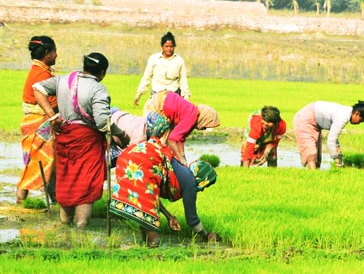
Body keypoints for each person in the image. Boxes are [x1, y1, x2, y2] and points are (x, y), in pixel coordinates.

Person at [32, 53, 126, 229]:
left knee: (66, 181)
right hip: (87, 143)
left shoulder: (63, 80)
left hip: (64, 139)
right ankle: (81, 229)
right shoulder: (98, 89)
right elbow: (101, 122)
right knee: (86, 185)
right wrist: (120, 134)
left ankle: (64, 225)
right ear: (102, 72)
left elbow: (37, 88)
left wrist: (52, 117)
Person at [110, 112, 218, 247]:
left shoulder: (182, 171)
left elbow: (152, 196)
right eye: (205, 185)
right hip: (140, 162)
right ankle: (153, 249)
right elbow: (192, 219)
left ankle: (145, 246)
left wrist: (169, 217)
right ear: (202, 179)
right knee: (150, 215)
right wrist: (205, 234)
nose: (202, 189)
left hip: (127, 158)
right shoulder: (190, 182)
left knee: (145, 205)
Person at [17, 36, 58, 204]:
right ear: (47, 53)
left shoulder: (39, 70)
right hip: (39, 125)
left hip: (33, 123)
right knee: (38, 163)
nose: (57, 55)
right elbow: (52, 102)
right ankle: (21, 200)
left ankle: (54, 198)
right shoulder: (42, 74)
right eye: (54, 51)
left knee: (41, 163)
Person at [143, 90, 219, 166]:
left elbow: (180, 139)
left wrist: (182, 157)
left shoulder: (191, 112)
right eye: (206, 125)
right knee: (158, 144)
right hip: (155, 107)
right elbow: (171, 140)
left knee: (165, 146)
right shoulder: (191, 117)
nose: (204, 129)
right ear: (204, 119)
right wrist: (180, 158)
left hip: (162, 104)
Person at [292, 100, 364, 169]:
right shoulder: (343, 117)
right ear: (357, 114)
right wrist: (337, 159)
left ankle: (315, 176)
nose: (358, 123)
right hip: (304, 119)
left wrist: (339, 155)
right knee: (311, 154)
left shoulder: (346, 113)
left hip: (315, 123)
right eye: (360, 121)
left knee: (318, 158)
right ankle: (313, 178)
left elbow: (334, 137)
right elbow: (331, 141)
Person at [133, 31, 190, 106]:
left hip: (173, 93)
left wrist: (186, 96)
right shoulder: (154, 59)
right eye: (166, 46)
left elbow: (183, 80)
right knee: (156, 116)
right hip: (156, 92)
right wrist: (139, 93)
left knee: (172, 116)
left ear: (174, 47)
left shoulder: (179, 61)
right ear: (162, 47)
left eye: (171, 46)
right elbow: (147, 77)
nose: (169, 49)